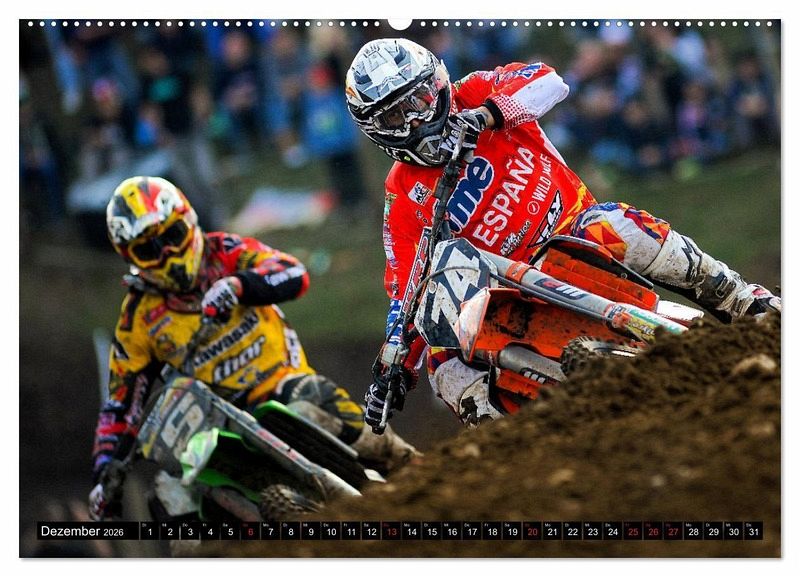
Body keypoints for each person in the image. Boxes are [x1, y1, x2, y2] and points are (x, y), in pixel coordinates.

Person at [344, 38, 781, 429]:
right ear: (377, 129)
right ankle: (528, 446)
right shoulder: (403, 196)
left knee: (615, 224)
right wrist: (397, 368)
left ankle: (745, 302)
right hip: (515, 296)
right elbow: (407, 291)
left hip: (578, 240)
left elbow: (548, 80)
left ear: (438, 84)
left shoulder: (474, 91)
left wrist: (487, 115)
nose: (416, 118)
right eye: (397, 115)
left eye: (420, 99)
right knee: (446, 363)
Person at [89, 176, 416, 521]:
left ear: (188, 221)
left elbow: (292, 272)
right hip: (215, 425)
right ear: (131, 257)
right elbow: (120, 405)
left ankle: (407, 461)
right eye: (149, 250)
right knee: (169, 495)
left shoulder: (224, 252)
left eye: (172, 236)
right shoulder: (138, 319)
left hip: (279, 388)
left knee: (311, 404)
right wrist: (103, 472)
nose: (167, 254)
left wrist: (240, 285)